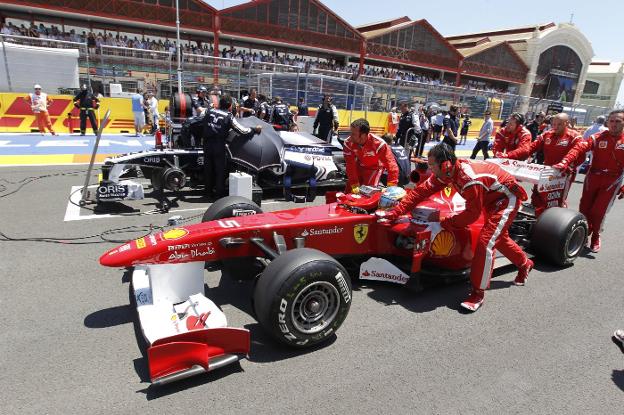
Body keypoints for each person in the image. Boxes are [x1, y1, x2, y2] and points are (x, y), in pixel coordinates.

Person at [376, 143, 533, 312]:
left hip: (505, 198)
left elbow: (471, 215)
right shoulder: (446, 173)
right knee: (499, 239)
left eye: (432, 165)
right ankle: (525, 263)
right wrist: (394, 213)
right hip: (489, 195)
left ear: (445, 165)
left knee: (486, 242)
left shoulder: (468, 179)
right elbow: (419, 193)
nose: (430, 169)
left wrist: (445, 221)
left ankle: (477, 293)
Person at [553, 110, 624, 253]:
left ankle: (596, 236)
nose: (614, 124)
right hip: (593, 177)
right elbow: (579, 148)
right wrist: (565, 162)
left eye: (618, 121)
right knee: (584, 208)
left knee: (598, 212)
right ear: (607, 122)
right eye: (612, 121)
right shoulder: (597, 137)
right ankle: (584, 234)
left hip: (612, 180)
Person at [508, 113, 583, 216]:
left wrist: (566, 164)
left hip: (563, 174)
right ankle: (535, 220)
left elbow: (578, 154)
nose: (555, 127)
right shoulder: (546, 134)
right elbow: (530, 148)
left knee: (556, 201)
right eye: (554, 124)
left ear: (567, 123)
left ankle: (556, 222)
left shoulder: (575, 137)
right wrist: (514, 157)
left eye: (559, 124)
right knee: (537, 197)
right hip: (545, 171)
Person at [202, 94, 261, 200]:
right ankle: (218, 195)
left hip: (206, 145)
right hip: (219, 146)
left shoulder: (209, 111)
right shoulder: (228, 116)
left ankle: (207, 193)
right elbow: (243, 131)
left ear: (219, 103)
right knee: (220, 171)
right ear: (229, 106)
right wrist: (254, 129)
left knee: (208, 169)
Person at [343, 118, 399, 194]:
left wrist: (391, 188)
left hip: (375, 169)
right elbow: (350, 165)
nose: (350, 136)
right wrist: (354, 184)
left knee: (368, 193)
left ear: (363, 135)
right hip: (359, 166)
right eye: (351, 133)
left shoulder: (379, 144)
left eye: (353, 134)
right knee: (348, 191)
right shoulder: (348, 143)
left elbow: (392, 166)